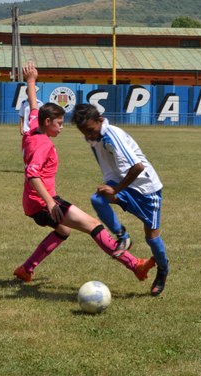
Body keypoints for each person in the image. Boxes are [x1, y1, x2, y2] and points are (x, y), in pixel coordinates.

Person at [13, 63, 156, 284]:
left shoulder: (33, 126)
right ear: (48, 122)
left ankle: (26, 269)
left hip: (31, 202)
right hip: (41, 202)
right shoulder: (43, 144)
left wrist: (31, 80)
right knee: (93, 226)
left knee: (63, 231)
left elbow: (33, 105)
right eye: (59, 124)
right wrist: (50, 203)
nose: (62, 128)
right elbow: (33, 175)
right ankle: (135, 265)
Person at [71, 103, 170, 296]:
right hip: (124, 186)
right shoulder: (94, 137)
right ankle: (123, 237)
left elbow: (138, 167)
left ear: (100, 120)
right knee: (97, 198)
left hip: (146, 189)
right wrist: (112, 186)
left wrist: (115, 188)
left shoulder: (112, 136)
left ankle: (163, 269)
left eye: (90, 130)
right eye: (84, 132)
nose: (88, 135)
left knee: (151, 237)